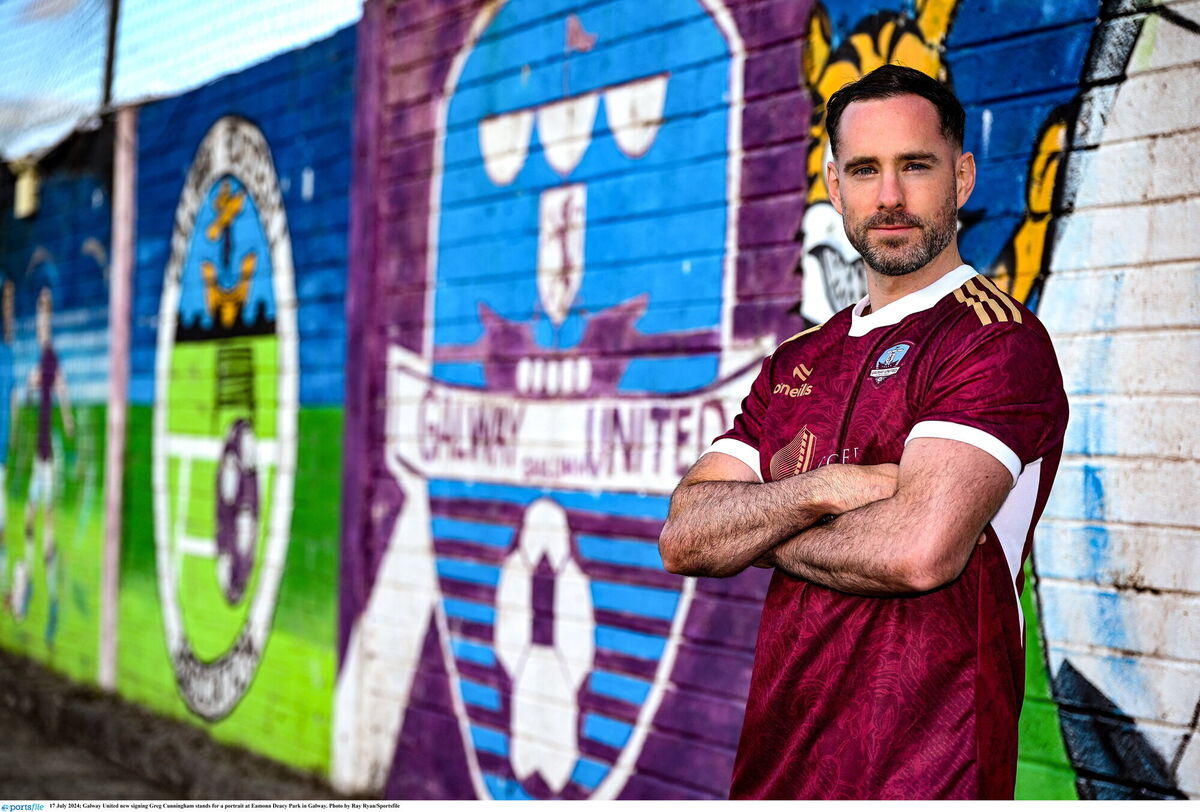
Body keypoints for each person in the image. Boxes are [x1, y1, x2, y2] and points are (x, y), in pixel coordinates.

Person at [659, 65, 1068, 800]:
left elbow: (917, 553)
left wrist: (756, 531)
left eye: (916, 166)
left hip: (928, 777)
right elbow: (685, 538)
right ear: (834, 184)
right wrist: (826, 490)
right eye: (865, 169)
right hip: (777, 773)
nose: (889, 197)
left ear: (962, 178)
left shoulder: (993, 341)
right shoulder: (798, 360)